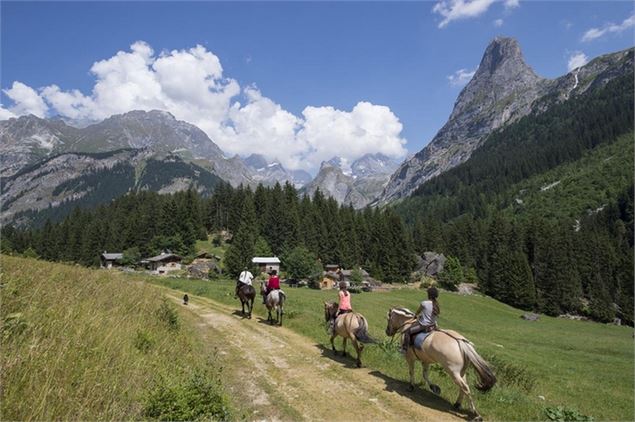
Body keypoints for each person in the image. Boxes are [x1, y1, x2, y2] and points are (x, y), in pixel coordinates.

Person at [401, 286, 440, 354]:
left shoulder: (424, 303)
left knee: (407, 332)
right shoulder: (436, 304)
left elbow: (418, 312)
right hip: (433, 325)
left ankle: (404, 349)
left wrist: (415, 316)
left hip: (424, 325)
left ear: (429, 295)